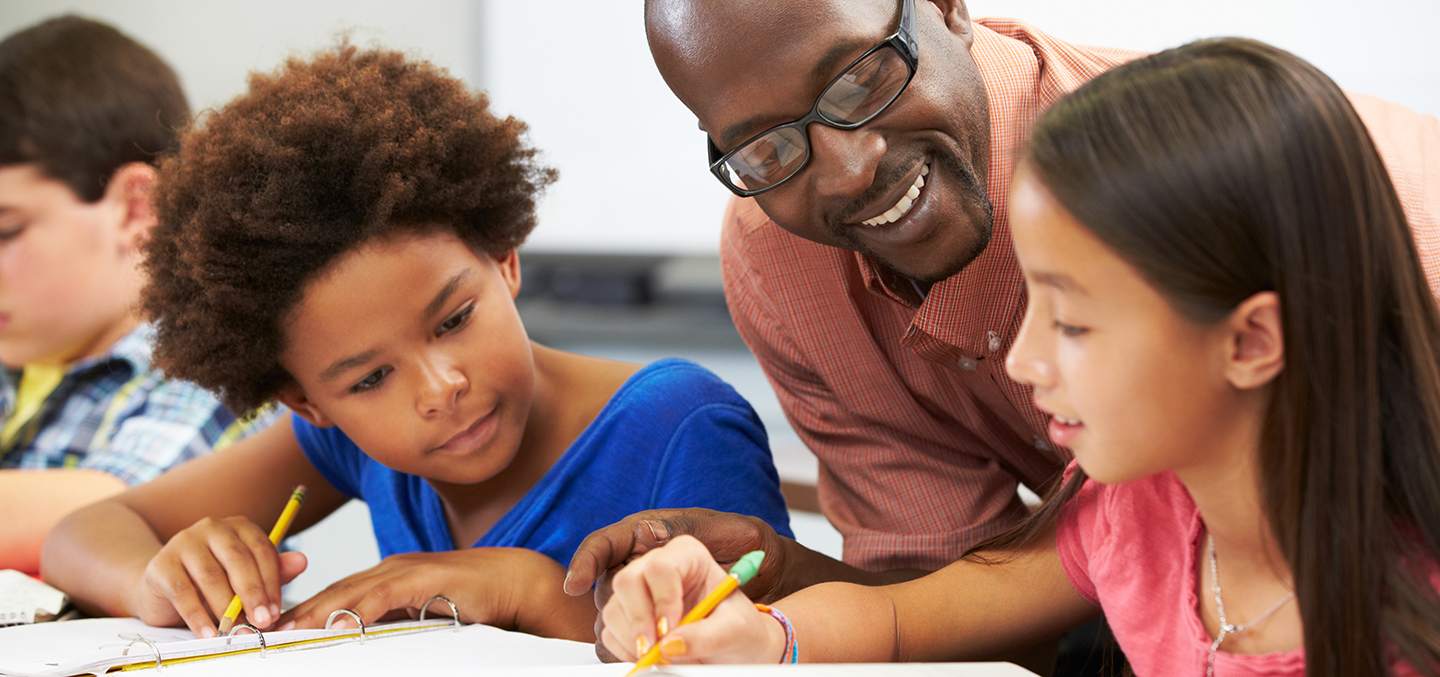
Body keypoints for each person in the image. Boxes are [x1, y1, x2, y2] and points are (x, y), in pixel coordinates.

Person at [597, 37, 1440, 676]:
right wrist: (768, 635)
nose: (1024, 361)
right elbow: (913, 617)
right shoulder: (1141, 510)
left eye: (1070, 323)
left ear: (1252, 340)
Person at [40, 43, 792, 642]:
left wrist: (522, 589)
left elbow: (756, 647)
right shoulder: (344, 443)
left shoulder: (678, 425)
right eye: (369, 379)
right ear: (308, 400)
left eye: (454, 319)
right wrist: (156, 577)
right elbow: (82, 532)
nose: (439, 388)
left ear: (504, 257)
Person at [0, 16, 274, 575]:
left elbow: (114, 516)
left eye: (6, 231)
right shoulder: (24, 351)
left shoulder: (215, 361)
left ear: (135, 208)